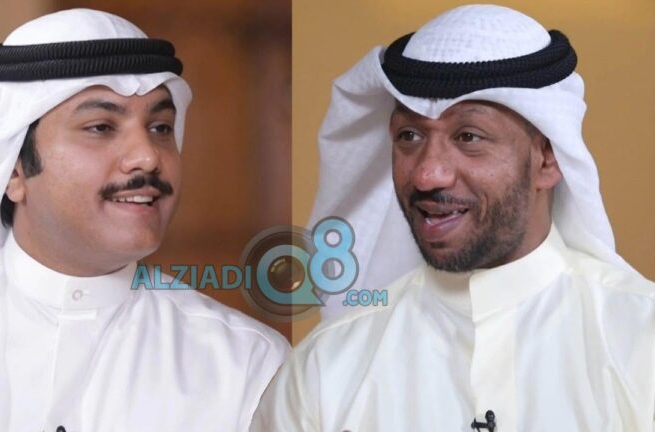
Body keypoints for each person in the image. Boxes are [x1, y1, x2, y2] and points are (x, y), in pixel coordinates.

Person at [251, 4, 654, 431]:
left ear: (548, 160)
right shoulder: (324, 370)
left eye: (468, 137)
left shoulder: (641, 342)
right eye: (410, 136)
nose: (427, 175)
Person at [0, 9, 289, 432]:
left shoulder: (248, 366)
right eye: (100, 127)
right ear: (13, 171)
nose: (148, 156)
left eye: (160, 128)